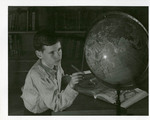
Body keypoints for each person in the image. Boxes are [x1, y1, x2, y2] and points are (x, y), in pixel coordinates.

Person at [21, 29, 84, 115]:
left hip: (49, 102)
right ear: (39, 54)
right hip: (38, 113)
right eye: (52, 52)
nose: (58, 55)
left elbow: (58, 79)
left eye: (59, 49)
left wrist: (68, 79)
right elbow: (56, 105)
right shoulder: (37, 74)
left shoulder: (53, 61)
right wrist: (71, 85)